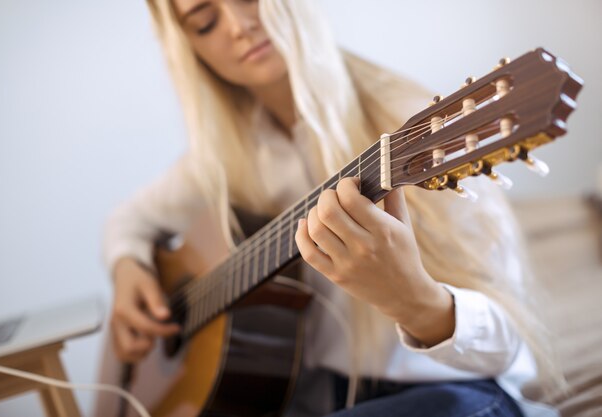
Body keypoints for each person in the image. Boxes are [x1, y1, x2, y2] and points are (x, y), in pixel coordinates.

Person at [103, 0, 563, 416]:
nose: (239, 26)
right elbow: (129, 220)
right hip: (320, 398)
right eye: (204, 22)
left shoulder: (415, 129)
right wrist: (128, 267)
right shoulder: (224, 157)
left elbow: (513, 346)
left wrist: (415, 301)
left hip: (451, 395)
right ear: (191, 50)